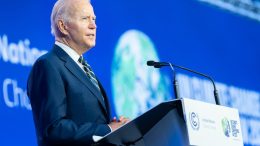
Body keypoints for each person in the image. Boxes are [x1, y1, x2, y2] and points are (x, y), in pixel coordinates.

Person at [27, 0, 129, 145]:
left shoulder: (83, 67)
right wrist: (106, 129)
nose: (93, 25)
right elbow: (54, 129)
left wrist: (116, 127)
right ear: (63, 26)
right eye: (85, 18)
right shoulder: (48, 65)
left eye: (93, 19)